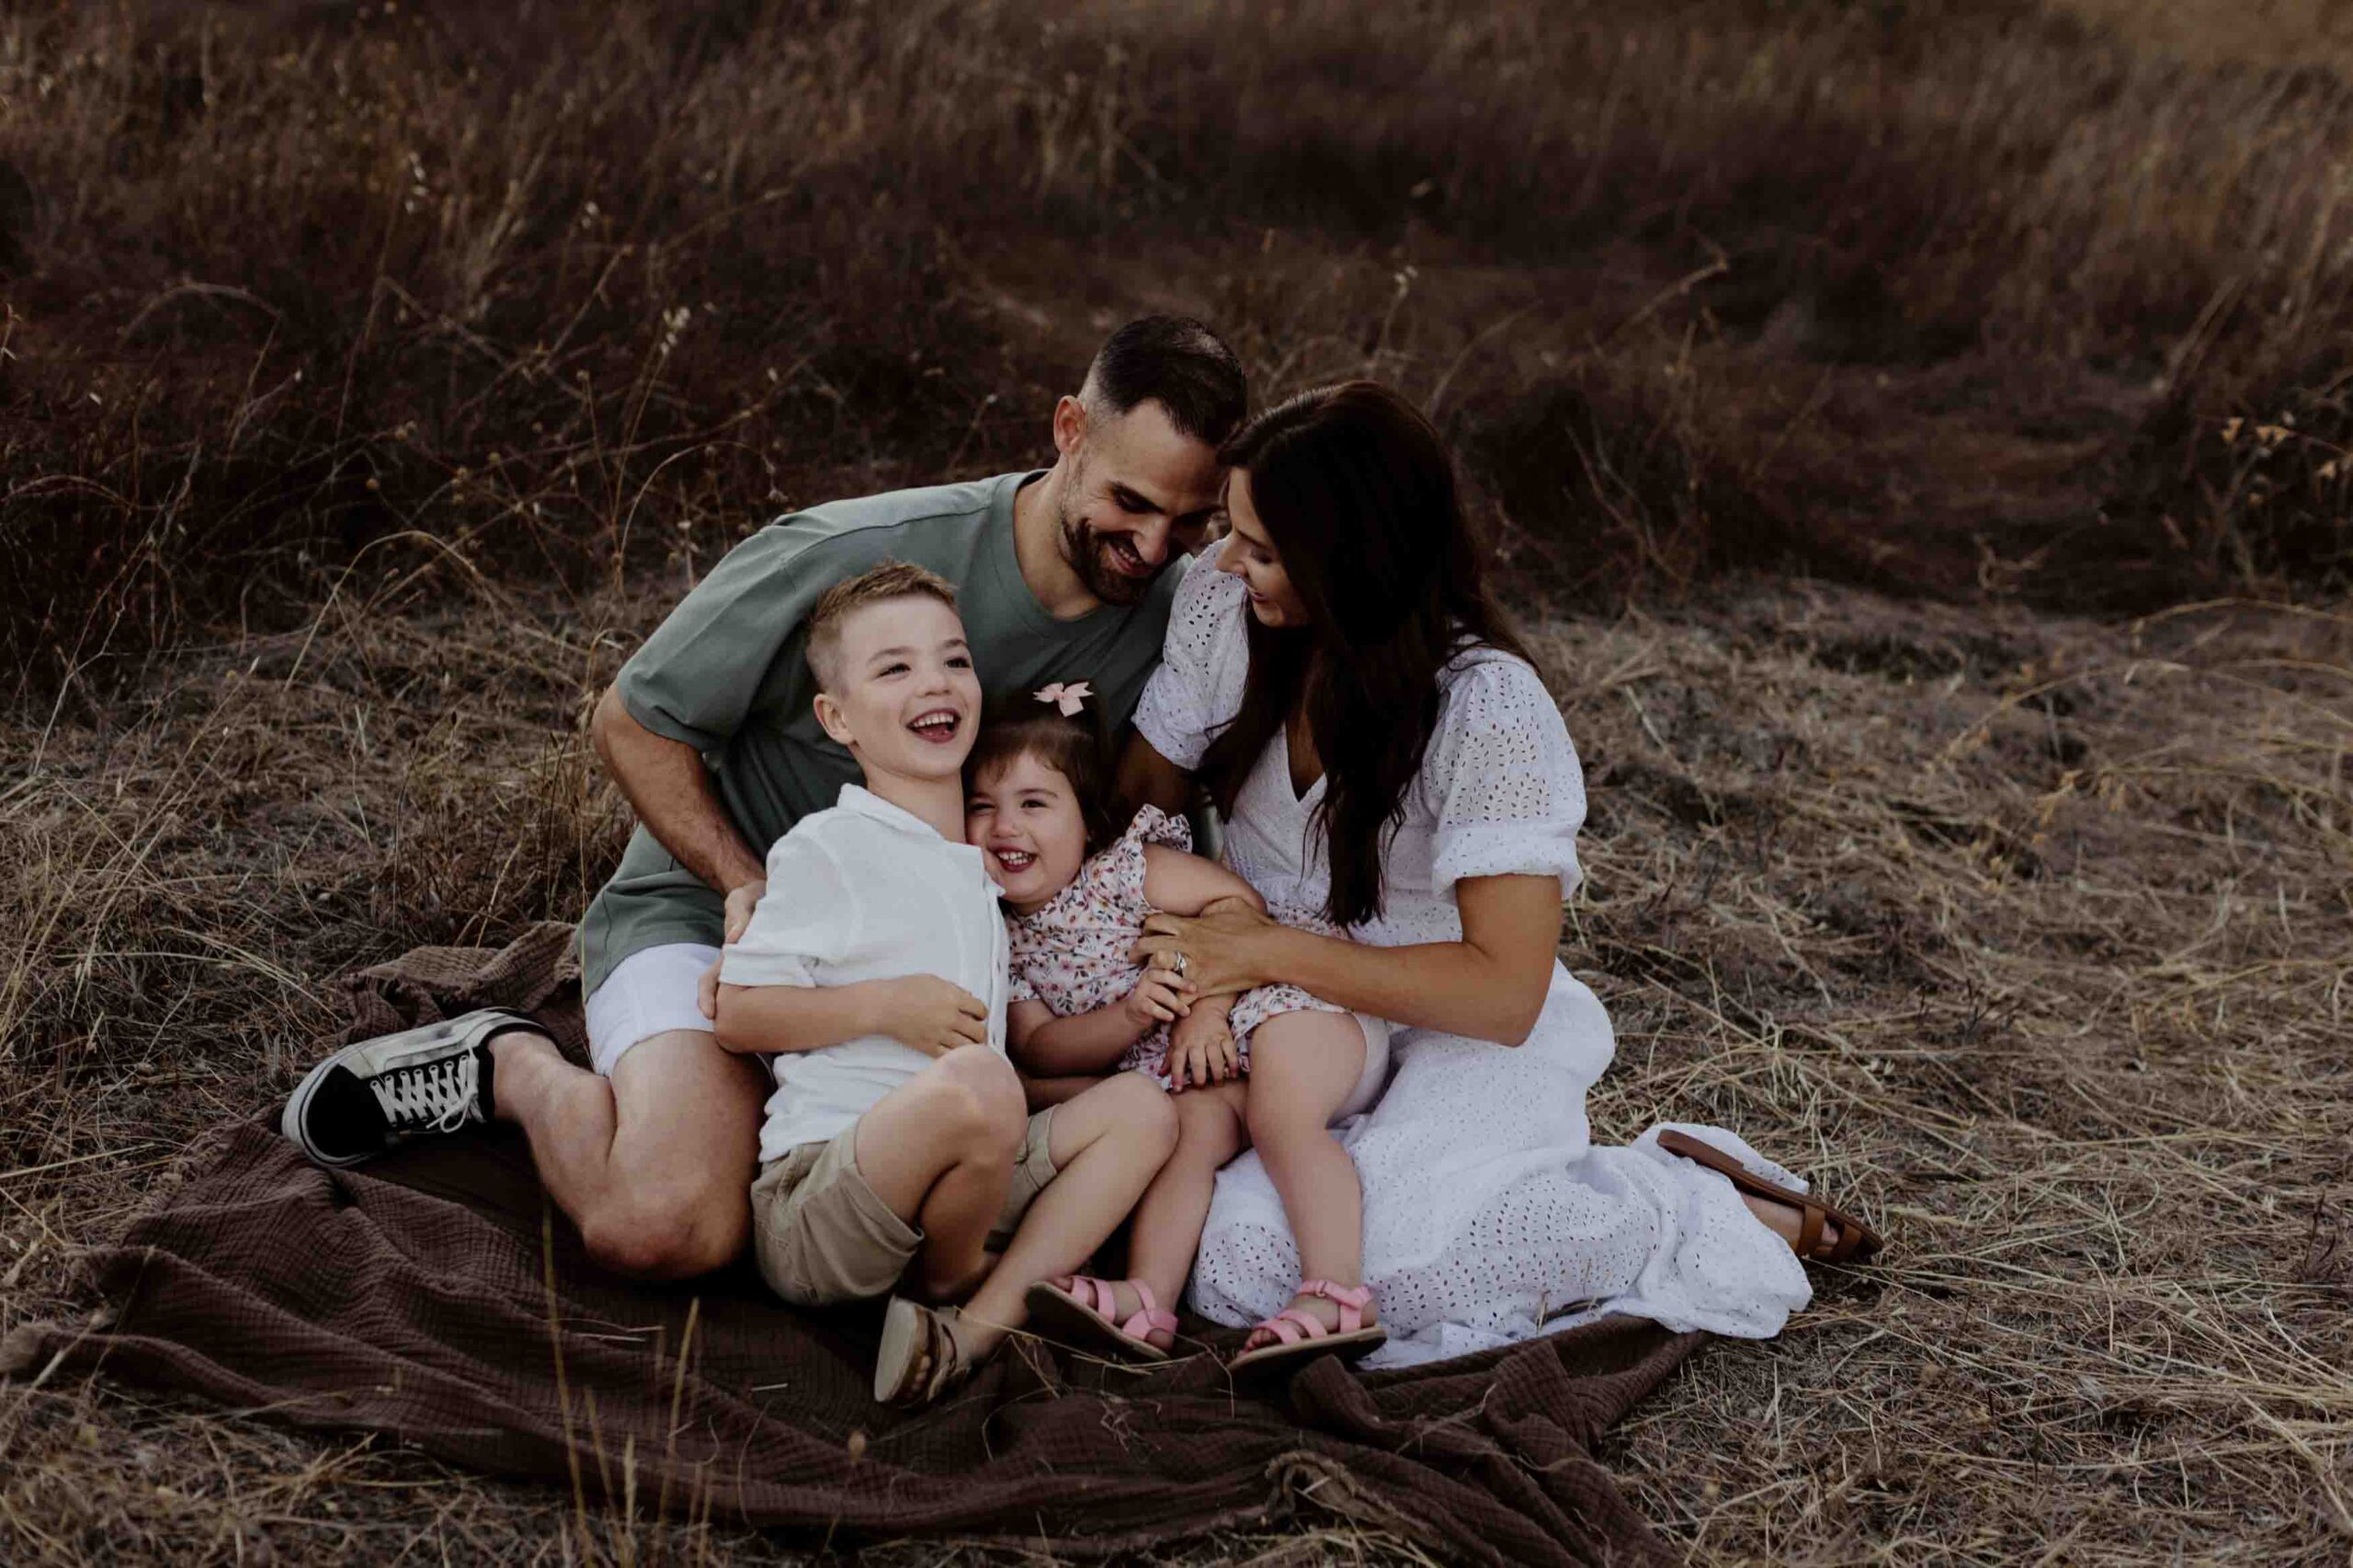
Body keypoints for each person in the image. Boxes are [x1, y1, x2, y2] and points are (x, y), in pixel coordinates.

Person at [279, 317, 1244, 1283]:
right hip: (726, 936)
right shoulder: (852, 551)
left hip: (951, 984)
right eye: (1131, 502)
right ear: (1069, 428)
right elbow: (632, 720)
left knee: (1122, 1162)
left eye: (1190, 521)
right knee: (663, 1225)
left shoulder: (1174, 616)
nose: (1155, 545)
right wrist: (744, 885)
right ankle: (516, 1069)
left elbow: (1144, 830)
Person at [1118, 381, 1882, 1367]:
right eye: (1231, 532)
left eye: (1261, 547)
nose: (1225, 561)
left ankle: (1692, 1197)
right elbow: (1145, 809)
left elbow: (1502, 992)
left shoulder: (1486, 708)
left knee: (1434, 1266)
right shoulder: (1227, 610)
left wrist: (1267, 946)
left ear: (1348, 561)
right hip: (1282, 1020)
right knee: (1228, 1267)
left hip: (1449, 1021)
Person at [705, 563, 1175, 1407]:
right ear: (835, 716)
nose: (935, 681)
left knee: (1144, 1109)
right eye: (895, 668)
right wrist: (889, 1007)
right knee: (977, 1084)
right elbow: (738, 1013)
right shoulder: (832, 846)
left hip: (957, 1181)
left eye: (954, 661)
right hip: (825, 1203)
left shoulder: (975, 870)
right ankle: (957, 1275)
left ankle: (967, 1334)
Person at [961, 688, 1391, 1370]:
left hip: (1284, 1005)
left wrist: (1206, 1009)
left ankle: (1337, 1293)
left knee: (1284, 1116)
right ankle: (1149, 1300)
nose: (1004, 826)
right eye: (981, 807)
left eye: (1033, 804)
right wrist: (1128, 1016)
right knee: (1186, 1137)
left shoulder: (1123, 873)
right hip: (1199, 1076)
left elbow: (1235, 904)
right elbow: (1039, 1043)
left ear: (1088, 821)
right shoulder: (1000, 939)